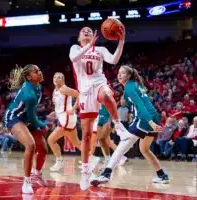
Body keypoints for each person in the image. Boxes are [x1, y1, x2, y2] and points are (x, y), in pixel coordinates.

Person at [69, 26, 131, 190]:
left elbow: (114, 60)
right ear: (78, 37)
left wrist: (121, 41)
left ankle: (118, 126)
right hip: (85, 91)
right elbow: (74, 58)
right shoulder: (75, 48)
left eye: (89, 30)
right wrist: (89, 46)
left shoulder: (101, 49)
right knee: (87, 135)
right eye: (83, 31)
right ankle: (85, 172)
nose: (87, 32)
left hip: (99, 83)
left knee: (106, 95)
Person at [91, 65, 169, 187]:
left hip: (144, 118)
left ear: (128, 75)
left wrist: (150, 122)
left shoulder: (129, 87)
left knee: (124, 142)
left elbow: (141, 106)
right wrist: (153, 121)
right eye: (118, 73)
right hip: (153, 116)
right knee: (144, 149)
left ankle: (106, 174)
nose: (119, 75)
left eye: (122, 73)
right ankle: (162, 176)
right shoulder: (134, 85)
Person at [5, 64, 48, 194]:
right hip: (15, 117)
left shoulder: (38, 86)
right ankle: (27, 182)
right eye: (36, 71)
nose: (40, 73)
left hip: (27, 117)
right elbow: (31, 116)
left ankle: (37, 173)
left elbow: (31, 113)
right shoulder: (29, 94)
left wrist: (38, 123)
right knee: (30, 145)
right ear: (29, 77)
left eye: (40, 70)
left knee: (43, 149)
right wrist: (42, 124)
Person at [47, 72, 81, 172]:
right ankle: (91, 158)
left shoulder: (64, 89)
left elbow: (80, 95)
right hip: (64, 117)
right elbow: (60, 105)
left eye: (59, 78)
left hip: (67, 118)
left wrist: (74, 108)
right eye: (54, 77)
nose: (56, 79)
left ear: (63, 80)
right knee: (77, 143)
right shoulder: (55, 90)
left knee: (51, 140)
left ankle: (60, 161)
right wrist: (55, 112)